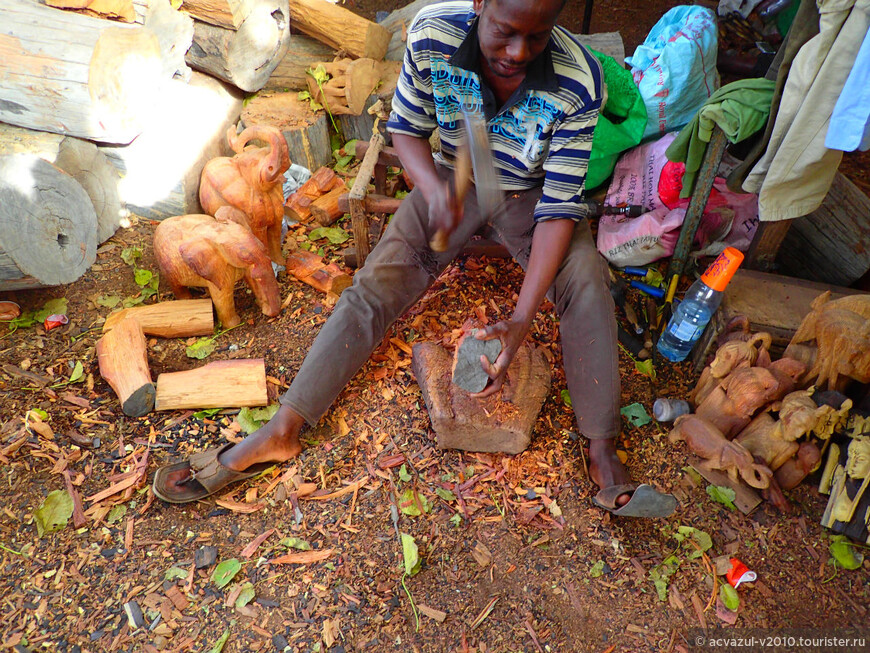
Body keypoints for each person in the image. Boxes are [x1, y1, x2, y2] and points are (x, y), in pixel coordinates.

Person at [153, 0, 676, 517]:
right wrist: (433, 191)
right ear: (479, 5)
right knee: (375, 284)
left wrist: (520, 320)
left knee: (584, 279)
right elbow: (405, 127)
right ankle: (283, 427)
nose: (518, 52)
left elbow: (561, 207)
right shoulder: (434, 35)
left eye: (537, 37)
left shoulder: (578, 81)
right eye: (505, 31)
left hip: (532, 196)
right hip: (450, 180)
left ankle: (602, 448)